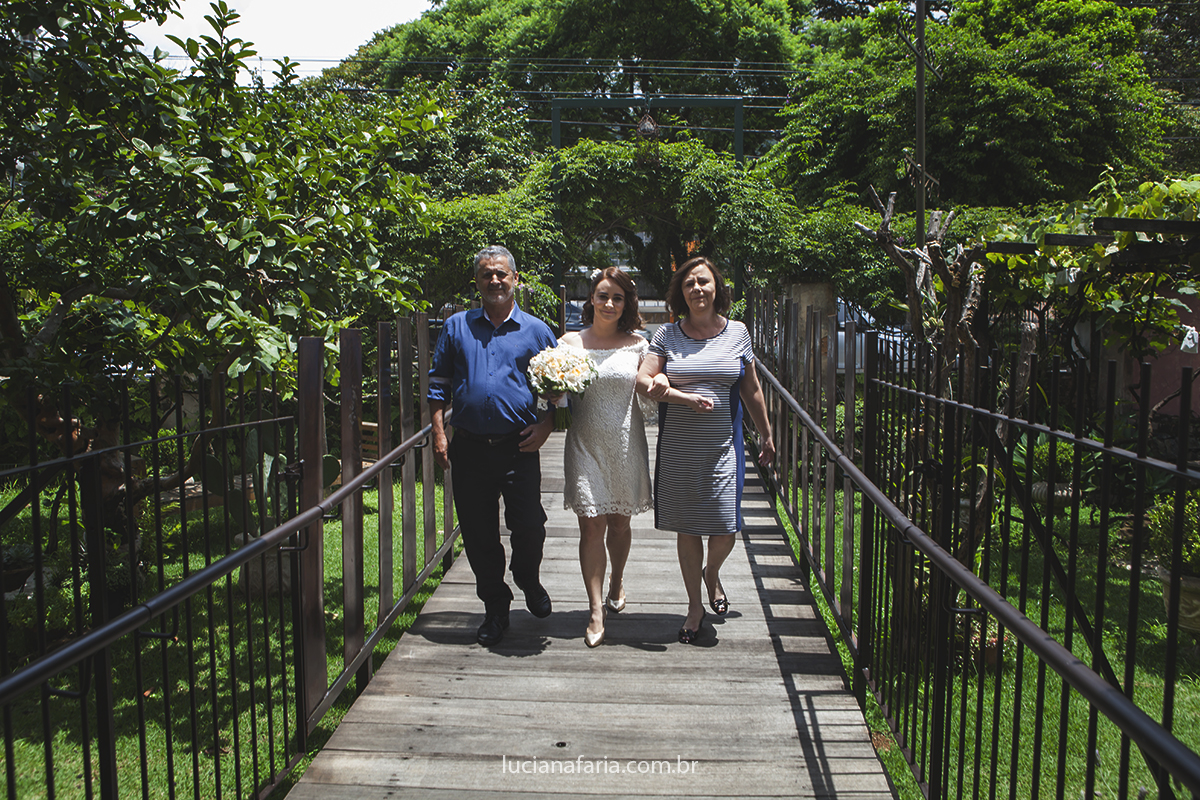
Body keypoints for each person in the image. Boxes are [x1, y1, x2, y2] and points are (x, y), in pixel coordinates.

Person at [636, 256, 775, 644]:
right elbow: (643, 381)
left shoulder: (738, 333)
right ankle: (695, 605)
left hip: (723, 449)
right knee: (688, 528)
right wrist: (678, 395)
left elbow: (751, 389)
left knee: (726, 527)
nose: (697, 289)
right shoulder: (666, 335)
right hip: (679, 450)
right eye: (689, 284)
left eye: (703, 282)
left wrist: (767, 434)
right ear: (681, 293)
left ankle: (711, 572)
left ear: (717, 288)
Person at [428, 245, 559, 647]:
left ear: (515, 279)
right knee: (479, 534)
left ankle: (527, 578)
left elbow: (558, 390)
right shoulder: (457, 327)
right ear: (478, 282)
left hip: (518, 447)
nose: (495, 281)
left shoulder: (537, 331)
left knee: (530, 527)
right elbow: (438, 384)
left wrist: (547, 426)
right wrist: (438, 432)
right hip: (468, 448)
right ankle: (496, 608)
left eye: (502, 273)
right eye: (487, 275)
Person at [558, 267, 652, 647]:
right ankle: (595, 609)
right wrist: (551, 394)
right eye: (602, 296)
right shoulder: (569, 343)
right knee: (591, 526)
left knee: (620, 524)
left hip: (626, 444)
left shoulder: (640, 345)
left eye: (617, 297)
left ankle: (617, 581)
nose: (609, 303)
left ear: (626, 302)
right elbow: (556, 393)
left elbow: (649, 395)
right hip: (584, 444)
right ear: (590, 300)